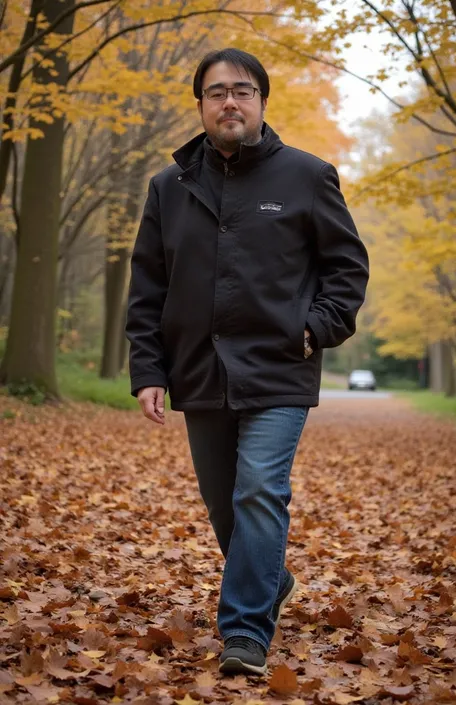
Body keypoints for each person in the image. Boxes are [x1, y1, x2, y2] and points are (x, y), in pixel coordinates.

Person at [126, 48, 369, 676]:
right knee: (223, 505)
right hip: (198, 370)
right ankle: (268, 579)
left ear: (261, 100)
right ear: (201, 105)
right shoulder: (168, 188)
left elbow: (346, 269)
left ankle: (244, 633)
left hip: (281, 366)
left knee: (260, 490)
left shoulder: (308, 176)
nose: (229, 102)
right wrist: (149, 369)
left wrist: (316, 329)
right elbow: (148, 285)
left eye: (242, 90)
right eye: (215, 92)